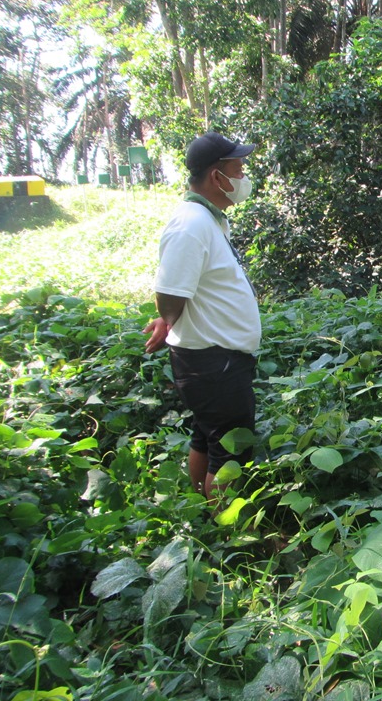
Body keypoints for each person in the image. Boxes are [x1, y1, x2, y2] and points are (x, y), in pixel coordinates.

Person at [143, 132, 262, 502]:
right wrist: (168, 316)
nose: (243, 177)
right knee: (231, 452)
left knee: (207, 435)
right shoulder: (191, 224)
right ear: (216, 176)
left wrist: (169, 319)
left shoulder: (208, 219)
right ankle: (231, 536)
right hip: (213, 361)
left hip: (216, 358)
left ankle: (200, 512)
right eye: (238, 169)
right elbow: (170, 292)